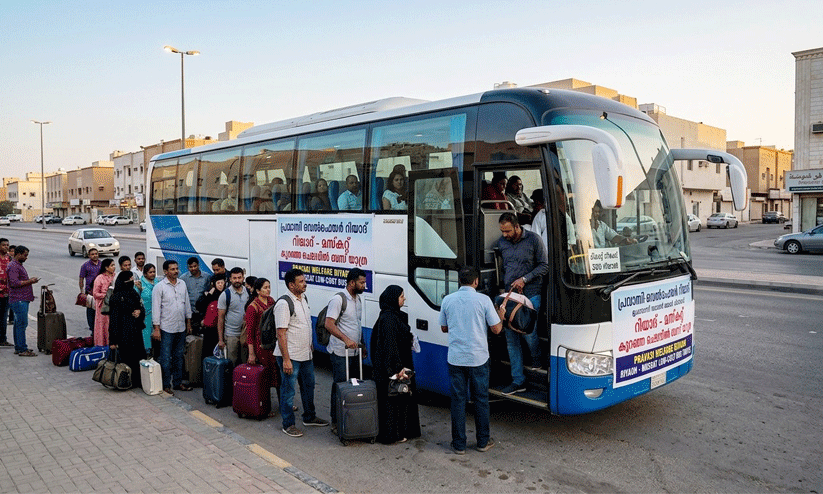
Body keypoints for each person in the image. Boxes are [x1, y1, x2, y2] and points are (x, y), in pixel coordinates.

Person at [440, 266, 503, 454]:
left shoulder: (448, 300)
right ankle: (483, 442)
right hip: (478, 359)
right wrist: (500, 316)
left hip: (456, 358)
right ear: (476, 282)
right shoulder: (483, 300)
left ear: (459, 281)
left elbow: (444, 328)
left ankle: (459, 445)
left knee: (458, 401)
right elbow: (497, 330)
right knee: (481, 400)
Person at [497, 212, 548, 394]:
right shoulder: (502, 243)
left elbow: (544, 265)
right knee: (511, 339)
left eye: (508, 231)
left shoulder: (534, 240)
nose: (504, 235)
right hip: (510, 296)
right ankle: (518, 380)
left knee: (529, 333)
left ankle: (537, 360)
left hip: (531, 294)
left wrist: (525, 279)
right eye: (502, 231)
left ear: (517, 227)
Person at [274, 268, 329, 437]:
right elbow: (281, 333)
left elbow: (305, 325)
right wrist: (286, 360)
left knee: (308, 386)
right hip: (290, 356)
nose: (305, 284)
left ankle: (309, 417)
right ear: (291, 285)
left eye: (304, 281)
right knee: (288, 391)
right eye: (301, 282)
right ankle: (288, 424)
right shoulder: (284, 304)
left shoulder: (303, 298)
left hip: (305, 354)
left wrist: (310, 344)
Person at [370, 285, 421, 445]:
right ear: (393, 299)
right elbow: (390, 346)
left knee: (398, 400)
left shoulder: (390, 316)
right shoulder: (389, 319)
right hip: (393, 369)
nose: (404, 298)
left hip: (393, 366)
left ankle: (399, 432)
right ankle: (393, 434)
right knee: (394, 401)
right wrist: (398, 369)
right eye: (401, 296)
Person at [325, 268, 367, 433]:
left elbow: (357, 324)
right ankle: (336, 421)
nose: (365, 285)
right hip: (341, 353)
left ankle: (350, 417)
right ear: (351, 283)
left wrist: (362, 344)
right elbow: (329, 324)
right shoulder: (338, 299)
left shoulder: (358, 300)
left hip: (355, 352)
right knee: (340, 385)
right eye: (362, 283)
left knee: (354, 386)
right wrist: (346, 340)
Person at [152, 260, 193, 395]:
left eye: (177, 269)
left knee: (179, 356)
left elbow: (186, 304)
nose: (176, 271)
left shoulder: (182, 284)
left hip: (180, 327)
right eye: (172, 269)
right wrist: (156, 328)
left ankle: (177, 382)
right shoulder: (159, 287)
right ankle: (165, 385)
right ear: (165, 271)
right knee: (165, 357)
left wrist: (188, 322)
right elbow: (156, 309)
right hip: (166, 328)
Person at [245, 277, 279, 414]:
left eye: (269, 287)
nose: (268, 290)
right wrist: (251, 353)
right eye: (265, 288)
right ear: (258, 291)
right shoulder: (252, 308)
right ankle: (265, 406)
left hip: (274, 344)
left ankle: (283, 404)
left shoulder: (271, 302)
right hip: (261, 347)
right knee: (265, 379)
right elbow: (250, 333)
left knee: (278, 376)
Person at [108, 270, 146, 388]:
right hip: (123, 334)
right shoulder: (116, 297)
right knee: (126, 359)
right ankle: (124, 381)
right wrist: (113, 341)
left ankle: (137, 381)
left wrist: (139, 312)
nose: (131, 282)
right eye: (128, 279)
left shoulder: (133, 293)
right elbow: (114, 321)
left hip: (135, 332)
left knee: (138, 357)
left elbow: (141, 307)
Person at [8, 245, 39, 357]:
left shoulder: (17, 265)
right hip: (19, 299)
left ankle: (19, 347)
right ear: (18, 254)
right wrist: (30, 281)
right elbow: (14, 283)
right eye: (25, 255)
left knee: (18, 324)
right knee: (22, 324)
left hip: (21, 299)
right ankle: (22, 349)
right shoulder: (13, 266)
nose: (26, 258)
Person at [217, 267, 249, 365]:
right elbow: (220, 319)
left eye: (239, 277)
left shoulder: (248, 292)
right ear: (230, 279)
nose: (237, 280)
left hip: (245, 334)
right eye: (234, 278)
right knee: (232, 363)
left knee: (245, 363)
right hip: (231, 336)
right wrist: (221, 340)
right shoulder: (225, 295)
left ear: (243, 278)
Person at [196, 274, 225, 364]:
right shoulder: (209, 294)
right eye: (218, 283)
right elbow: (199, 306)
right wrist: (209, 294)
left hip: (222, 328)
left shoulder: (226, 295)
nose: (220, 285)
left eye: (222, 283)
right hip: (209, 329)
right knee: (208, 352)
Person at [180, 257, 209, 331]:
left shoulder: (207, 277)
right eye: (190, 267)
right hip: (190, 313)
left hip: (203, 313)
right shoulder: (183, 278)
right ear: (187, 267)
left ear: (198, 265)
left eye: (195, 266)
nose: (193, 268)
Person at [93, 258, 116, 347]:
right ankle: (102, 346)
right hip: (103, 307)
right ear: (106, 267)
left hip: (114, 305)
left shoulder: (115, 276)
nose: (114, 267)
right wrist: (106, 295)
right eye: (112, 265)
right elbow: (95, 294)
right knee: (103, 327)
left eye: (114, 265)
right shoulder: (99, 278)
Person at [78, 247, 101, 334]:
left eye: (96, 253)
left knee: (99, 310)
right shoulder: (85, 266)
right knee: (91, 311)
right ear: (89, 256)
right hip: (90, 292)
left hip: (100, 292)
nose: (95, 255)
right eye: (92, 254)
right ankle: (92, 329)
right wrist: (82, 290)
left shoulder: (102, 264)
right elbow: (81, 278)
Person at [139, 263, 158, 358]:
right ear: (145, 274)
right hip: (145, 316)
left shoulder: (157, 282)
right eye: (150, 272)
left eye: (154, 272)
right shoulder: (140, 284)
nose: (153, 274)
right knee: (146, 337)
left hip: (157, 315)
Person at [0, 238, 12, 347]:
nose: (6, 247)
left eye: (7, 245)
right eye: (3, 245)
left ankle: (2, 339)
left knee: (4, 316)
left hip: (6, 292)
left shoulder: (9, 259)